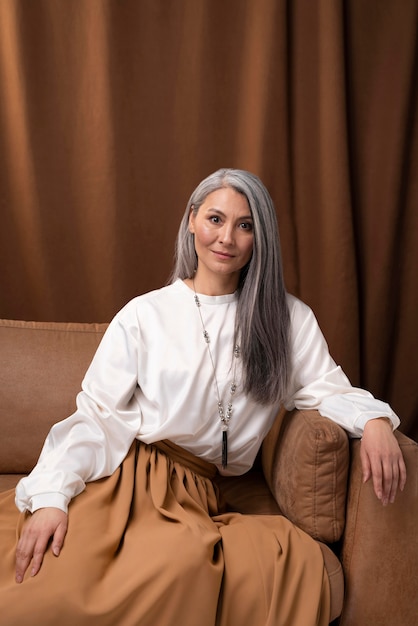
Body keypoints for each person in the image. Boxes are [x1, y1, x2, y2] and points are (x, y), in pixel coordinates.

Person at [0, 168, 406, 625]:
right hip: (128, 478)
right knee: (46, 587)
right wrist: (53, 496)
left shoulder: (286, 318)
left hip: (197, 490)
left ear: (260, 238)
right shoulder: (145, 315)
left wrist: (374, 422)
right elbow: (97, 417)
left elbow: (325, 387)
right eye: (215, 218)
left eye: (245, 224)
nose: (226, 237)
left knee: (178, 567)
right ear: (192, 220)